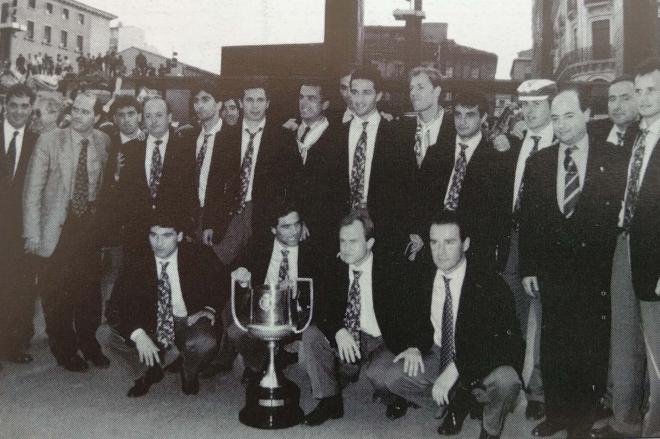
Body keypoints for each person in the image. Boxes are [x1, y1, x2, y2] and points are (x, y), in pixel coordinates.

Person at [519, 87, 627, 438]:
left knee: (590, 346)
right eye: (555, 118)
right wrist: (528, 267)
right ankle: (557, 414)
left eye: (569, 116)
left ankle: (581, 421)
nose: (562, 125)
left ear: (586, 114)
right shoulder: (539, 163)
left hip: (596, 273)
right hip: (552, 273)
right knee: (553, 346)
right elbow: (529, 221)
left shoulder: (614, 159)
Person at [370, 212, 523, 439]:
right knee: (390, 376)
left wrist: (458, 367)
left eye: (449, 242)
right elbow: (404, 316)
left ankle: (490, 428)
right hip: (438, 351)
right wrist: (412, 345)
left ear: (466, 243)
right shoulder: (421, 275)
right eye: (434, 243)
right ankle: (456, 404)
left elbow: (507, 344)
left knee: (507, 381)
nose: (440, 252)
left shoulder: (490, 284)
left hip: (478, 358)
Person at [590, 58, 660, 439]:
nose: (645, 98)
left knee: (656, 353)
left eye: (653, 91)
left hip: (656, 254)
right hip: (624, 242)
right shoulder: (637, 135)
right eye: (642, 91)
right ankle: (625, 422)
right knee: (624, 337)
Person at [23, 91, 112, 372]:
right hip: (56, 227)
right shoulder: (50, 141)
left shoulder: (103, 141)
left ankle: (89, 343)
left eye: (86, 112)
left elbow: (103, 186)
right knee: (56, 293)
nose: (77, 116)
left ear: (97, 117)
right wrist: (32, 233)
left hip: (88, 228)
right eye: (75, 109)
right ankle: (64, 349)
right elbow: (32, 191)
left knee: (88, 292)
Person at [496, 78, 558, 421]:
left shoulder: (560, 143)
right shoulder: (519, 142)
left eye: (536, 104)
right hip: (514, 240)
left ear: (551, 104)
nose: (528, 111)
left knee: (543, 319)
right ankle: (518, 384)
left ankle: (540, 392)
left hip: (545, 245)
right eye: (524, 104)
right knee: (516, 315)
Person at [301, 209, 397, 426]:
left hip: (382, 340)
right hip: (351, 336)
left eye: (353, 241)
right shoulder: (334, 266)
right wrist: (338, 330)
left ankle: (396, 397)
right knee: (312, 335)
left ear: (370, 243)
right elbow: (320, 307)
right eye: (342, 241)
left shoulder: (389, 269)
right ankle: (329, 401)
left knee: (381, 376)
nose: (345, 248)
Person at [108, 217, 220, 397]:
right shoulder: (136, 262)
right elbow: (115, 305)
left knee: (205, 341)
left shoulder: (198, 256)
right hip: (152, 324)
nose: (158, 243)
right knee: (105, 334)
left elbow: (221, 282)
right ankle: (147, 371)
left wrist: (209, 309)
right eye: (154, 235)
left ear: (180, 236)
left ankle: (188, 370)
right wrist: (137, 333)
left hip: (188, 321)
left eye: (167, 235)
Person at [227, 202, 314, 382]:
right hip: (263, 309)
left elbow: (321, 288)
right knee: (236, 331)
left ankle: (281, 353)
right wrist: (243, 277)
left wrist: (297, 289)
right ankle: (257, 364)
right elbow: (240, 268)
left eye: (297, 224)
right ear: (273, 230)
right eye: (286, 226)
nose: (294, 231)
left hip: (299, 311)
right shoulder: (258, 246)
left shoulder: (311, 249)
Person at [418, 91, 503, 269]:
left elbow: (496, 215)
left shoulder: (495, 160)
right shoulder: (436, 153)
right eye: (458, 115)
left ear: (483, 117)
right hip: (433, 244)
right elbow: (420, 199)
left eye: (470, 115)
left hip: (473, 251)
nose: (462, 122)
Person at [118, 96, 195, 252]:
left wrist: (186, 227)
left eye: (159, 115)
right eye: (148, 116)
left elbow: (190, 191)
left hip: (171, 232)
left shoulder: (186, 148)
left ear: (169, 117)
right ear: (143, 119)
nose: (153, 120)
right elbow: (125, 193)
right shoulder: (130, 149)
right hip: (137, 233)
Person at [0, 84, 39, 366]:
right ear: (5, 105)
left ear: (31, 108)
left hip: (21, 231)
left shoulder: (38, 142)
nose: (18, 111)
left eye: (25, 106)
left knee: (20, 288)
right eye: (14, 105)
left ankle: (14, 344)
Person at [404, 66, 455, 261]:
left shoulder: (454, 130)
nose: (413, 93)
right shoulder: (401, 129)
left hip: (442, 235)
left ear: (437, 91)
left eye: (420, 87)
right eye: (411, 88)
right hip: (408, 236)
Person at [590, 75, 640, 149]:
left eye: (625, 99)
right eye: (612, 99)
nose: (617, 106)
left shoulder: (649, 136)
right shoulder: (592, 132)